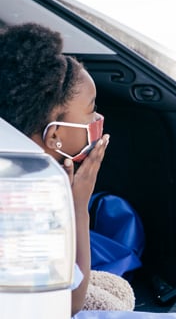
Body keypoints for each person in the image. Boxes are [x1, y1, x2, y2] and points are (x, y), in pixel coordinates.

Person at [0, 22, 110, 316]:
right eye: (91, 109)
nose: (98, 118)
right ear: (54, 136)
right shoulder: (28, 193)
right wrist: (79, 205)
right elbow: (70, 302)